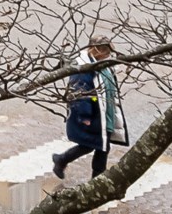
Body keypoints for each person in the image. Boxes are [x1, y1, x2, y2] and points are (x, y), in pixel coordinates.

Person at [50, 39, 130, 181]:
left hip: (104, 113)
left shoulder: (103, 66)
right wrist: (85, 115)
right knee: (98, 146)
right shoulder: (84, 69)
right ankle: (96, 178)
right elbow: (81, 94)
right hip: (95, 113)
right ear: (96, 49)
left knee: (99, 146)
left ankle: (63, 160)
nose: (108, 54)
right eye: (106, 51)